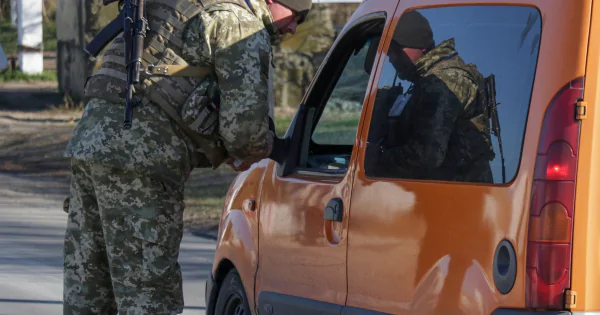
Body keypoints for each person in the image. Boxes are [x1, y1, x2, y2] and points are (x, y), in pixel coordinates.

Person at [62, 0, 311, 314]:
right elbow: (245, 132)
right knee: (147, 295)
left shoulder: (190, 4)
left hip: (89, 147)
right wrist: (269, 150)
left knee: (89, 290)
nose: (293, 28)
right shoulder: (239, 23)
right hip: (140, 162)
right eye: (297, 17)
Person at [368, 10, 494, 183]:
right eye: (389, 51)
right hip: (444, 194)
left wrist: (373, 161)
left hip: (457, 198)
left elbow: (425, 156)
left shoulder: (444, 82)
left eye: (397, 50)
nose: (391, 58)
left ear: (421, 47)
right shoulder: (426, 79)